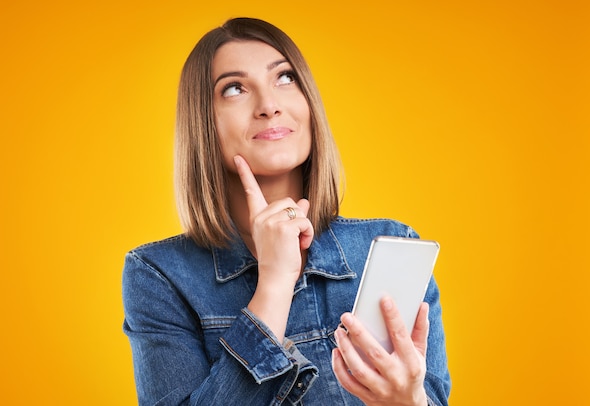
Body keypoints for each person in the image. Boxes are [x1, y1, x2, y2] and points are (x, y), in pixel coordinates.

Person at [122, 17, 451, 406]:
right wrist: (274, 285)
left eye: (284, 78)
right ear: (203, 123)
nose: (269, 106)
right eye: (234, 88)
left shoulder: (391, 247)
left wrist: (408, 402)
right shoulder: (159, 276)